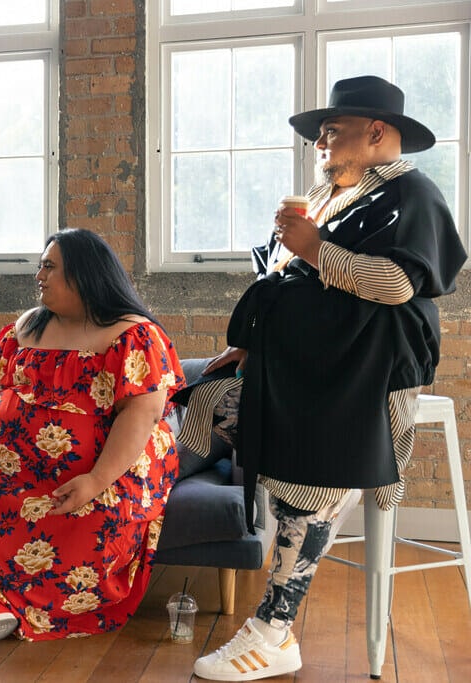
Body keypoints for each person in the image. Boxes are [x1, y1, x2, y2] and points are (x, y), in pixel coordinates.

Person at [183, 75, 467, 681]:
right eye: (319, 133)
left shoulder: (413, 194)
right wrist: (249, 345)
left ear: (377, 132)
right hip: (306, 363)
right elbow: (286, 277)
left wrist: (312, 248)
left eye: (331, 130)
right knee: (210, 403)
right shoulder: (330, 193)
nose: (319, 141)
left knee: (315, 471)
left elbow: (395, 286)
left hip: (365, 367)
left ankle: (272, 628)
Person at [0, 228, 186, 648]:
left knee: (98, 513)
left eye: (49, 266)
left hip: (100, 469)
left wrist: (96, 480)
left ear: (84, 275)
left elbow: (144, 413)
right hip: (10, 466)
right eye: (40, 265)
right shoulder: (26, 327)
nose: (39, 275)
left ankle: (16, 609)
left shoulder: (133, 334)